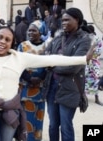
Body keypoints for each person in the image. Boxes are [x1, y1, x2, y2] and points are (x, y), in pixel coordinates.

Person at [43, 7, 92, 141]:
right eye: (62, 20)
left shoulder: (84, 40)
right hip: (52, 87)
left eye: (67, 20)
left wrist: (52, 65)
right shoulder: (57, 38)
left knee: (66, 126)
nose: (63, 23)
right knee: (53, 125)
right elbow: (45, 57)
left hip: (70, 89)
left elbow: (74, 67)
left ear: (77, 20)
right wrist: (51, 63)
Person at [17, 20, 47, 141]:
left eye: (34, 30)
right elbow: (18, 64)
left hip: (41, 88)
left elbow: (49, 64)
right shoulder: (22, 46)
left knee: (39, 118)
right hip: (26, 88)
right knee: (27, 119)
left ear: (41, 32)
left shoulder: (47, 46)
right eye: (29, 30)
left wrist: (40, 77)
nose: (30, 32)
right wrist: (29, 78)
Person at [85, 25, 103, 105]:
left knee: (95, 80)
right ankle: (84, 98)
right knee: (85, 80)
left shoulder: (97, 40)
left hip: (94, 63)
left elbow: (99, 51)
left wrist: (90, 54)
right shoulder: (85, 39)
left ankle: (96, 98)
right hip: (86, 62)